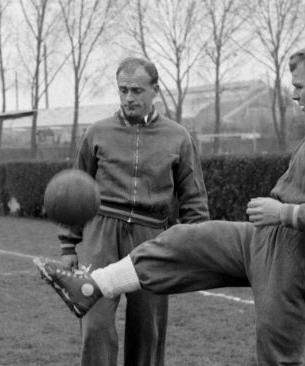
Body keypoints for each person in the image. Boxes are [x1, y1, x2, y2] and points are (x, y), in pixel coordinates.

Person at [35, 42, 305, 365]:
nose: (294, 95)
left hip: (296, 257)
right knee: (183, 239)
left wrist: (285, 213)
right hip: (263, 238)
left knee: (277, 357)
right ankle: (93, 287)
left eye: (299, 87)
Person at [54, 57, 209, 366]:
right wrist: (68, 244)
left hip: (151, 236)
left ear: (155, 91)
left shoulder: (178, 136)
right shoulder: (96, 132)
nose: (128, 98)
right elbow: (77, 187)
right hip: (101, 233)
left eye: (137, 90)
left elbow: (193, 196)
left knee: (148, 330)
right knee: (94, 324)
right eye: (123, 90)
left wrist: (198, 247)